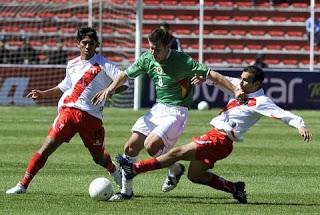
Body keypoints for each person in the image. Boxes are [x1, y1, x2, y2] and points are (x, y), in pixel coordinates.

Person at [116, 65, 312, 204]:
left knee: (178, 152)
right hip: (217, 137)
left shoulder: (261, 101)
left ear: (257, 84)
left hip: (221, 139)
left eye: (246, 80)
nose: (241, 83)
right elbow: (222, 79)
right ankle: (235, 188)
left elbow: (283, 114)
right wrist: (205, 78)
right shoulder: (240, 87)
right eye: (241, 78)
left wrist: (300, 125)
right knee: (195, 175)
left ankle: (135, 169)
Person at [92, 28, 244, 201]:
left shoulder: (182, 60)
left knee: (151, 146)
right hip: (158, 109)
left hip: (177, 112)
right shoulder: (147, 58)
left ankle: (173, 168)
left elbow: (212, 75)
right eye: (150, 48)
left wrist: (235, 89)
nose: (153, 52)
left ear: (167, 46)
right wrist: (110, 88)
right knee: (130, 147)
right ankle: (128, 191)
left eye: (157, 49)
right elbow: (125, 74)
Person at [5, 27, 129, 195]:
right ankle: (22, 185)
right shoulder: (72, 64)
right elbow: (64, 86)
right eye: (84, 43)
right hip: (69, 112)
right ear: (77, 44)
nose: (87, 47)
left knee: (98, 158)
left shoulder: (104, 64)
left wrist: (109, 91)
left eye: (91, 44)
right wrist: (43, 94)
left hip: (92, 118)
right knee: (47, 147)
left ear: (96, 45)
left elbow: (124, 82)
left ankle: (117, 173)